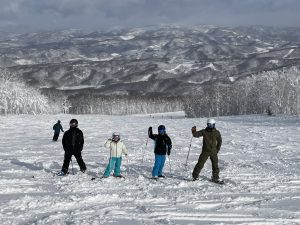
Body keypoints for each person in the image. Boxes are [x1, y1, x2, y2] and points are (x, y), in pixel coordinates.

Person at [191, 118, 222, 183]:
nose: (210, 126)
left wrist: (217, 149)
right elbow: (196, 135)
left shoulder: (216, 132)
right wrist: (194, 131)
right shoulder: (204, 131)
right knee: (200, 164)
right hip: (205, 151)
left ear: (214, 125)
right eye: (209, 125)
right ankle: (195, 176)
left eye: (211, 125)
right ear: (207, 125)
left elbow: (220, 141)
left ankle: (215, 178)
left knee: (215, 165)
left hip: (214, 152)